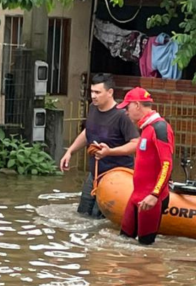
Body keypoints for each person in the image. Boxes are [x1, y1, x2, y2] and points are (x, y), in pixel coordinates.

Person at [97, 87, 175, 245]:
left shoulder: (159, 128)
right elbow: (144, 154)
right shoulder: (146, 128)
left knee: (145, 249)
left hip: (150, 199)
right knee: (123, 243)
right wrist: (110, 151)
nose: (126, 112)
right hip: (136, 196)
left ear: (137, 105)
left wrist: (154, 195)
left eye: (128, 107)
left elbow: (167, 164)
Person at [60, 73, 140, 218]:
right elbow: (88, 132)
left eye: (97, 92)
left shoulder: (122, 115)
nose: (94, 96)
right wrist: (70, 151)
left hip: (116, 177)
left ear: (110, 92)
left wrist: (110, 152)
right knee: (82, 213)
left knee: (100, 217)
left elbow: (135, 144)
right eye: (92, 92)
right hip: (95, 174)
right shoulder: (92, 108)